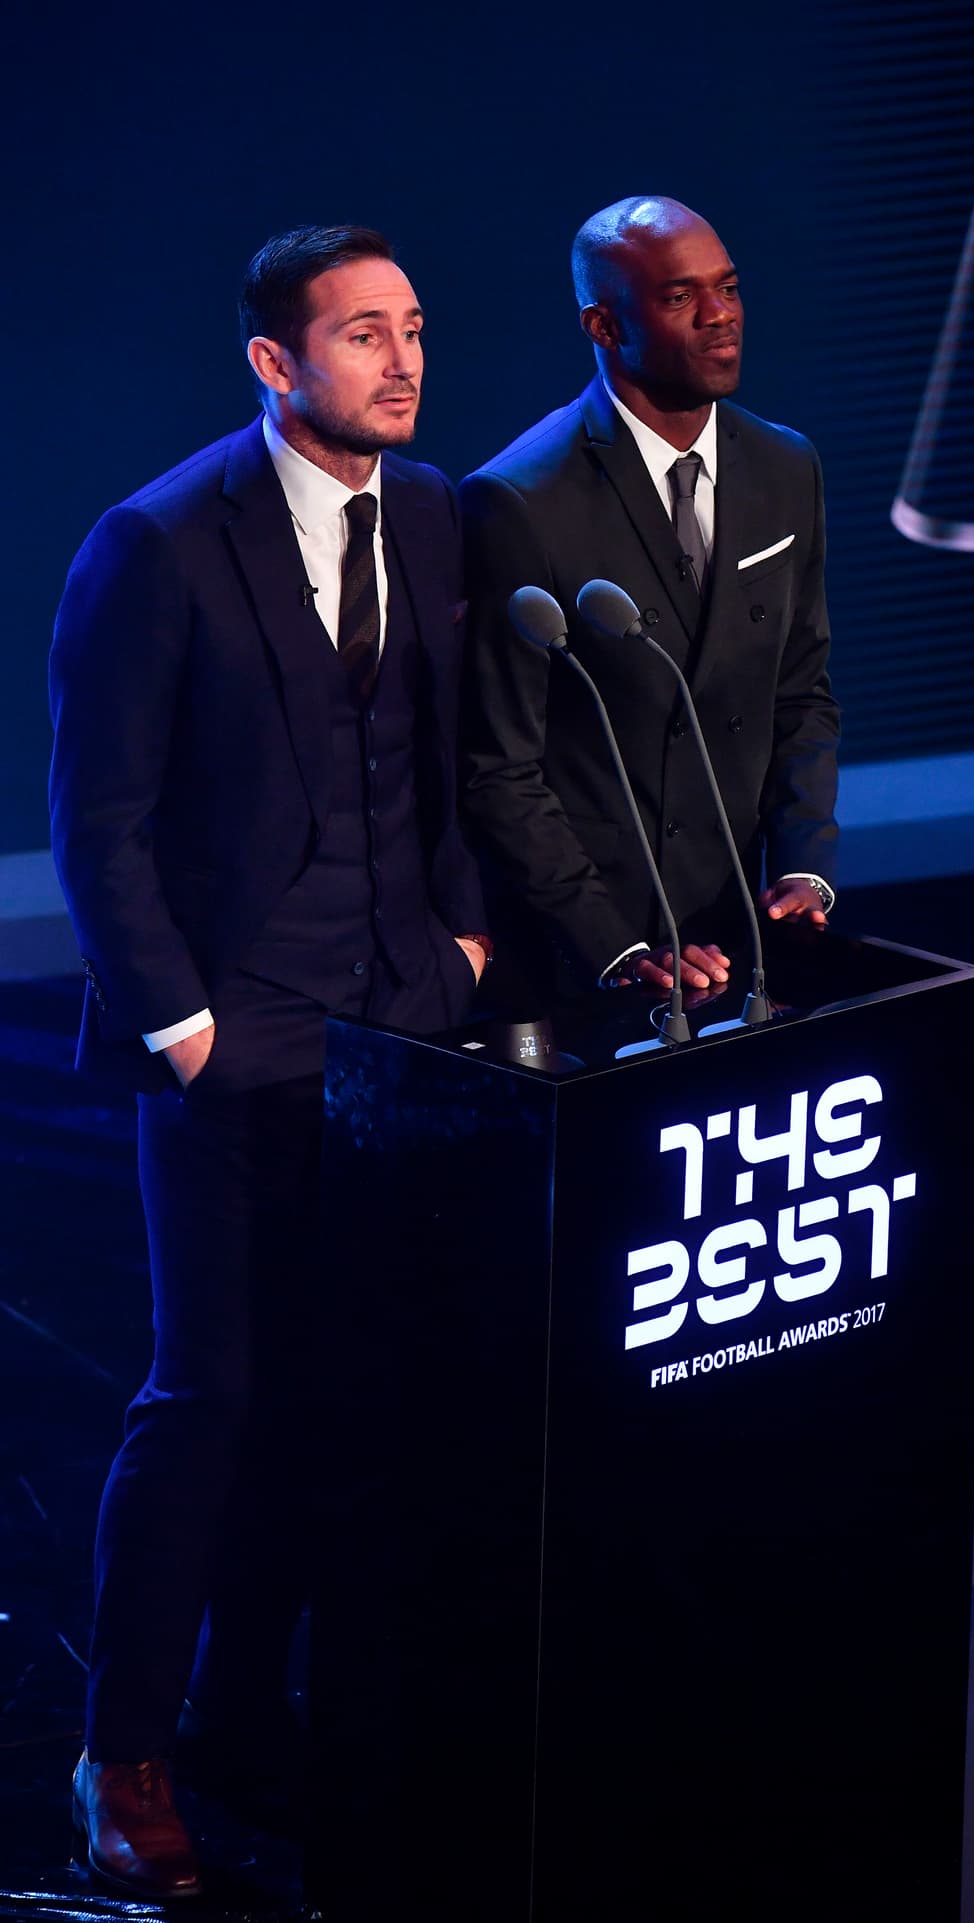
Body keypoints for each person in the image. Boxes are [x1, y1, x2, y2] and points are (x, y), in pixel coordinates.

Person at [48, 223, 489, 1899]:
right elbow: (100, 823)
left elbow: (454, 761)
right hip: (230, 1041)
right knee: (212, 1392)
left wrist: (455, 937)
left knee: (339, 1399)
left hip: (399, 1033)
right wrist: (186, 1025)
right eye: (365, 332)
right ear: (274, 360)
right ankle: (126, 1747)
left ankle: (247, 1715)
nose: (403, 359)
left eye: (415, 328)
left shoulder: (433, 511)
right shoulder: (156, 545)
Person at [459, 194, 839, 1007]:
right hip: (593, 949)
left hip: (744, 936)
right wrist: (618, 945)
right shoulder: (519, 499)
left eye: (729, 288)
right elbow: (500, 767)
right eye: (679, 298)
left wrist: (804, 864)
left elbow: (801, 691)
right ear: (603, 326)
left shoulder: (786, 465)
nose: (720, 316)